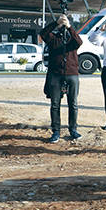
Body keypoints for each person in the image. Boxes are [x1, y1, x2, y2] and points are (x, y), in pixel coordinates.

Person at [40, 12, 83, 142]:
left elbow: (79, 42)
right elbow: (43, 34)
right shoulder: (53, 38)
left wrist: (69, 26)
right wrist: (56, 23)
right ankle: (56, 131)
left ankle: (73, 129)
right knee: (55, 104)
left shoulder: (72, 39)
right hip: (55, 74)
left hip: (72, 73)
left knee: (73, 104)